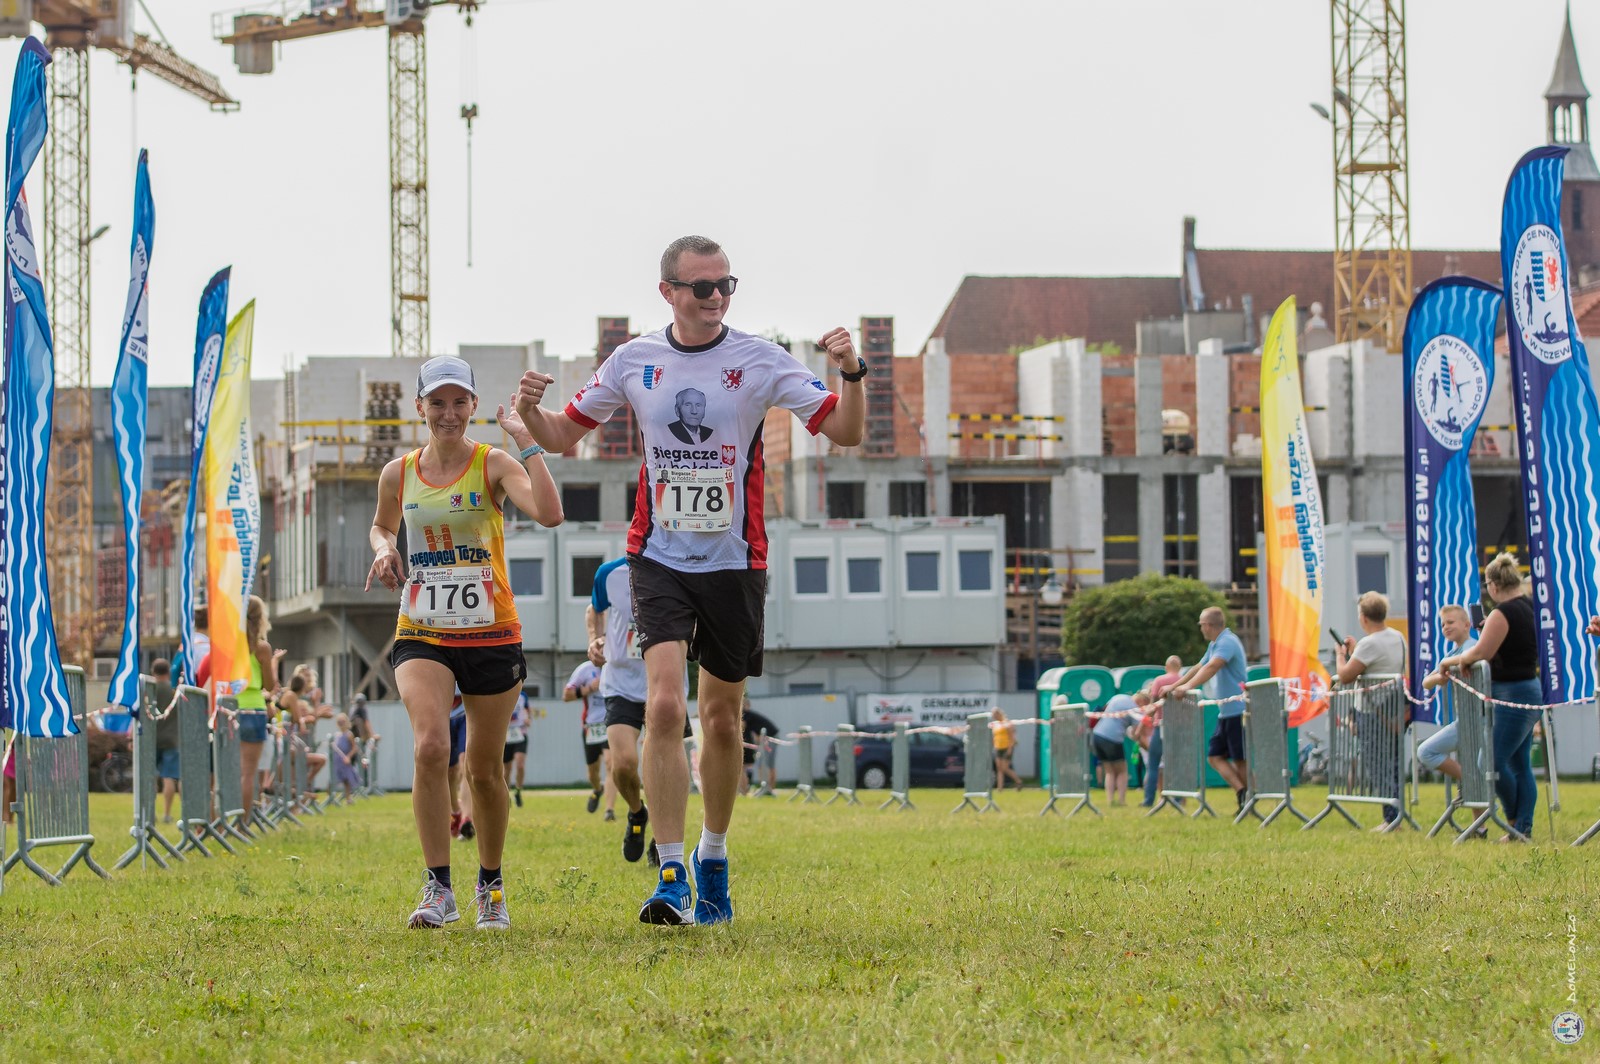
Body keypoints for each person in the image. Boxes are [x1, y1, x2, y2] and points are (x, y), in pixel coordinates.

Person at [516, 235, 867, 925]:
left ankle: (713, 857)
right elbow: (560, 435)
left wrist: (852, 372)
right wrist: (529, 410)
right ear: (668, 292)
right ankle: (671, 872)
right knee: (664, 706)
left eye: (725, 285)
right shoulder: (634, 360)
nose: (716, 298)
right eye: (702, 287)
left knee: (722, 719)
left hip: (736, 561)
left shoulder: (760, 359)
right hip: (658, 557)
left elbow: (847, 432)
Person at [366, 353, 562, 930]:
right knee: (431, 748)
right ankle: (438, 888)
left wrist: (526, 440)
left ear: (474, 405)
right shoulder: (398, 472)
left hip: (490, 630)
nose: (448, 413)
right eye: (437, 402)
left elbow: (550, 514)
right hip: (422, 627)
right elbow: (382, 523)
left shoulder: (493, 462)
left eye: (459, 402)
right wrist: (385, 548)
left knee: (483, 768)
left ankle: (491, 886)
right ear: (420, 407)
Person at [588, 553, 689, 859]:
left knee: (664, 764)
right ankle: (637, 812)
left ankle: (663, 838)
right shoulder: (610, 573)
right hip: (621, 684)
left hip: (667, 684)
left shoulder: (681, 568)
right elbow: (594, 609)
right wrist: (596, 638)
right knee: (622, 764)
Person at [1438, 553, 1542, 842]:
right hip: (1528, 689)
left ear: (1494, 586)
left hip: (1512, 694)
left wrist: (1451, 661)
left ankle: (1514, 823)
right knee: (1519, 764)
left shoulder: (1502, 613)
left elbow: (1481, 652)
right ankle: (1522, 829)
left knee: (1490, 761)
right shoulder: (1529, 606)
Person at [1335, 591, 1409, 829]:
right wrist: (1356, 651)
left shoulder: (1369, 643)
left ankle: (1391, 818)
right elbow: (1377, 661)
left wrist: (1340, 656)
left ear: (1363, 617)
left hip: (1372, 711)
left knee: (1377, 764)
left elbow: (1345, 676)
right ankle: (1397, 814)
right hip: (1393, 707)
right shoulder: (1397, 637)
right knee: (1393, 762)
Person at [1170, 606, 1250, 813]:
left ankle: (1249, 802)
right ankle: (1242, 792)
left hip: (1238, 711)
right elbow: (1199, 666)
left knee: (1240, 759)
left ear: (1207, 625)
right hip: (1226, 712)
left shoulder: (1227, 642)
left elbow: (1212, 667)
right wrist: (1174, 686)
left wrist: (1187, 687)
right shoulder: (1216, 644)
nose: (1200, 629)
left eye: (1201, 625)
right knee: (1214, 756)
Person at [1417, 605, 1478, 784]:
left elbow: (1470, 656)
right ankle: (1472, 782)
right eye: (1443, 624)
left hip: (1479, 718)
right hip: (1464, 720)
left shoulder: (1472, 646)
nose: (1446, 627)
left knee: (1426, 751)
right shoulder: (1451, 653)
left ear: (1467, 625)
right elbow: (1426, 682)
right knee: (1426, 751)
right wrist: (1439, 677)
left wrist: (1446, 664)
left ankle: (1473, 782)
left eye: (1450, 622)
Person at [234, 596, 277, 825]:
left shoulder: (230, 643)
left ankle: (223, 821)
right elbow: (269, 685)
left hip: (230, 708)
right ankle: (243, 824)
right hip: (254, 709)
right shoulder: (262, 648)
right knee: (248, 773)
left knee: (228, 770)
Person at [564, 658, 612, 814]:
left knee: (610, 764)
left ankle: (609, 810)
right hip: (591, 727)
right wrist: (589, 688)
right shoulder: (584, 670)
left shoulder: (617, 666)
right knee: (592, 773)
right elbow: (566, 695)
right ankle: (598, 789)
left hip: (611, 723)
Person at [1140, 656, 1184, 807]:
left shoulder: (1159, 680)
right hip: (1178, 728)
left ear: (1166, 667)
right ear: (1180, 667)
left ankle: (1148, 800)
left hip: (1161, 726)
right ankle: (1177, 799)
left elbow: (1152, 707)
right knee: (1176, 764)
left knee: (1153, 764)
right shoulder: (1183, 680)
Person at [1089, 693, 1139, 806]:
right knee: (1122, 771)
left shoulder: (1118, 697)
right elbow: (1136, 732)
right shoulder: (1136, 708)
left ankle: (1110, 800)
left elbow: (1104, 708)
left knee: (1109, 771)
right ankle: (1121, 801)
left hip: (1097, 735)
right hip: (1113, 738)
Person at [150, 659, 180, 824]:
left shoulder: (149, 689)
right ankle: (167, 813)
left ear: (153, 672)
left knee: (150, 776)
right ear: (168, 672)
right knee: (168, 777)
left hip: (152, 738)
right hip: (172, 739)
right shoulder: (174, 691)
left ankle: (151, 812)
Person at [739, 697, 778, 796]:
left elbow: (741, 727)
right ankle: (765, 787)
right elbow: (756, 735)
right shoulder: (750, 715)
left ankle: (769, 788)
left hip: (770, 737)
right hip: (767, 737)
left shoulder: (745, 714)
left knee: (767, 764)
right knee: (763, 764)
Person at [502, 690, 530, 808]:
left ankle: (518, 791)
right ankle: (505, 795)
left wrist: (528, 719)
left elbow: (527, 711)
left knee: (520, 764)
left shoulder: (523, 695)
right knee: (506, 769)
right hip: (506, 735)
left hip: (520, 733)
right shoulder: (502, 692)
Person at [331, 712, 362, 803]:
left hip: (345, 760)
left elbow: (354, 748)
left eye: (343, 721)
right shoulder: (337, 735)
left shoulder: (349, 734)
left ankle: (348, 799)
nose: (341, 723)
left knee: (347, 780)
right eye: (339, 721)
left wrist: (348, 757)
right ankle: (331, 798)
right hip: (337, 761)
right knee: (333, 780)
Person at [991, 707, 1023, 791]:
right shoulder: (995, 724)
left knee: (1005, 768)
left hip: (1006, 747)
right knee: (999, 769)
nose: (994, 717)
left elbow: (1012, 737)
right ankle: (1000, 788)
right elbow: (994, 736)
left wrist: (1010, 749)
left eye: (995, 715)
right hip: (998, 747)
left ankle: (1018, 781)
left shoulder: (1007, 723)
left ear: (999, 714)